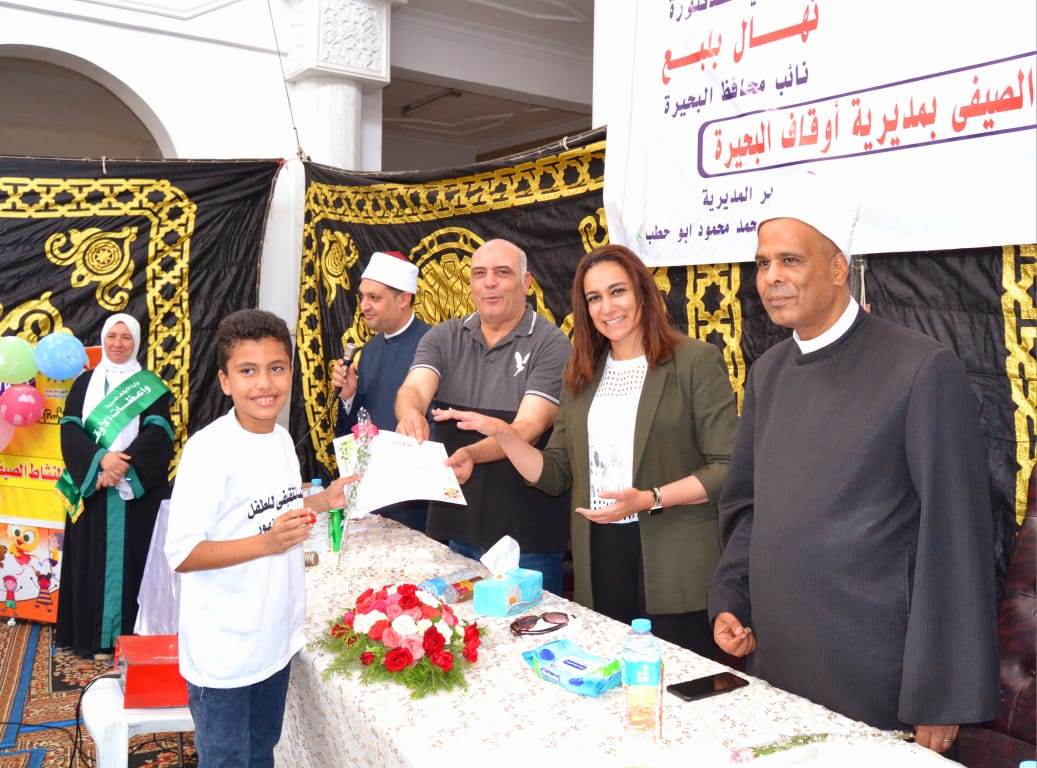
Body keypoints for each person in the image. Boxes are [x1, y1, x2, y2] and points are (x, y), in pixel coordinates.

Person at [708, 173, 999, 752]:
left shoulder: (920, 368)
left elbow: (956, 533)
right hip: (777, 662)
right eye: (762, 263)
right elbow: (748, 506)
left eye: (790, 261)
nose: (771, 278)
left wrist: (942, 692)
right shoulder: (768, 373)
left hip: (874, 678)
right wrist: (732, 599)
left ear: (839, 267)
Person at [437, 244, 737, 656]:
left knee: (679, 679)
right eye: (594, 298)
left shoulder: (694, 361)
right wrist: (505, 436)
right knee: (611, 674)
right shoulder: (581, 373)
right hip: (601, 556)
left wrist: (649, 499)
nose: (607, 307)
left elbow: (728, 467)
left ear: (643, 293)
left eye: (618, 292)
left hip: (675, 563)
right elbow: (556, 471)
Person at [164, 309, 353, 768]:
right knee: (228, 760)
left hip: (274, 638)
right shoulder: (208, 451)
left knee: (262, 750)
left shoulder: (281, 440)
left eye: (276, 368)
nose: (264, 384)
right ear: (225, 381)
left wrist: (322, 500)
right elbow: (183, 553)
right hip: (225, 652)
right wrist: (267, 544)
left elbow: (274, 511)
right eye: (247, 371)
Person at [395, 239, 571, 594]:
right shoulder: (443, 337)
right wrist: (410, 413)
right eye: (479, 274)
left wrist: (473, 453)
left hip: (526, 539)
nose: (489, 283)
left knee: (527, 628)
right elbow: (413, 389)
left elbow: (528, 428)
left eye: (502, 273)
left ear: (527, 283)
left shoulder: (552, 344)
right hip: (455, 529)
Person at [56, 313, 174, 658]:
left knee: (133, 565)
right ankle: (90, 638)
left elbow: (159, 432)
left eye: (126, 337)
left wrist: (122, 466)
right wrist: (100, 462)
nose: (118, 344)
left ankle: (128, 641)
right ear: (103, 339)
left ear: (136, 342)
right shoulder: (83, 383)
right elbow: (70, 430)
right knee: (89, 563)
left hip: (133, 495)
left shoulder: (149, 386)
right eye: (112, 336)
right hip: (93, 490)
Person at [331, 250, 430, 531]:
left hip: (417, 499)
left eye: (374, 298)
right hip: (373, 495)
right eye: (362, 297)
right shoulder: (370, 350)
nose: (365, 306)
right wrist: (349, 396)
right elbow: (359, 427)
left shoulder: (433, 345)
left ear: (404, 299)